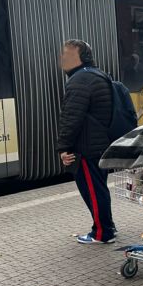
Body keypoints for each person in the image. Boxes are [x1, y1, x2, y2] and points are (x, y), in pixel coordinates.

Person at [57, 39, 118, 244]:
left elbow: (71, 116)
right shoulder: (98, 75)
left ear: (80, 58)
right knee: (99, 188)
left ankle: (102, 233)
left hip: (86, 147)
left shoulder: (79, 81)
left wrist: (64, 147)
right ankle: (107, 226)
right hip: (100, 144)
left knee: (92, 190)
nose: (62, 59)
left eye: (66, 55)